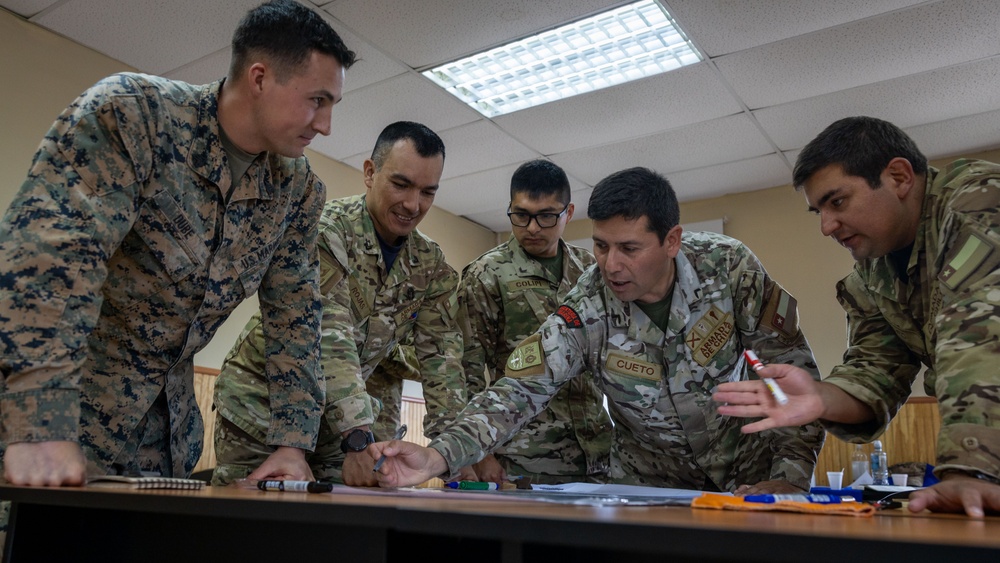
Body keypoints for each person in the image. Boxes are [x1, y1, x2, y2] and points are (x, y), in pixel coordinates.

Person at [0, 0, 354, 487]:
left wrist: (291, 443)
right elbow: (51, 256)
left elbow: (296, 317)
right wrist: (38, 421)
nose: (325, 125)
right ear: (259, 78)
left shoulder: (297, 191)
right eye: (318, 100)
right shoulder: (135, 115)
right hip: (56, 415)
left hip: (164, 440)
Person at [369, 167, 825, 493]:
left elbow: (792, 374)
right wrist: (440, 454)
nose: (611, 265)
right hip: (650, 487)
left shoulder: (729, 268)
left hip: (751, 472)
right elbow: (516, 392)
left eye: (629, 248)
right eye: (601, 246)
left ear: (672, 241)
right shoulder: (586, 305)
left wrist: (788, 478)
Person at [713, 116, 1000, 517]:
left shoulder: (980, 202)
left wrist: (973, 469)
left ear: (899, 177)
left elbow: (982, 335)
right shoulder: (874, 274)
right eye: (818, 212)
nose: (827, 226)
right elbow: (874, 372)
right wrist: (820, 397)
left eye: (837, 201)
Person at [212, 121, 469, 487]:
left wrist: (454, 455)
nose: (413, 204)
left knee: (341, 525)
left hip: (336, 426)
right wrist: (357, 435)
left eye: (428, 192)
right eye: (401, 184)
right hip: (262, 406)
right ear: (370, 172)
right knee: (254, 524)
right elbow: (328, 338)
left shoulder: (431, 265)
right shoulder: (327, 230)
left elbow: (443, 361)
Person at [458, 159, 612, 485]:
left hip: (596, 451)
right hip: (522, 455)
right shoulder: (487, 273)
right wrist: (480, 453)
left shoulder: (591, 271)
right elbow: (466, 369)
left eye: (546, 216)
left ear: (568, 213)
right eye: (521, 215)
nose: (532, 228)